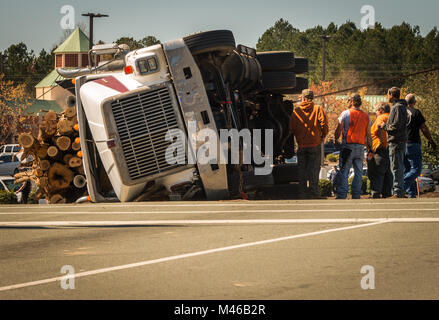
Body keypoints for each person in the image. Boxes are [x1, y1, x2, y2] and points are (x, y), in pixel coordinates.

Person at [289, 89, 329, 198]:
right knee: (314, 169)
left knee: (302, 170)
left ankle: (302, 193)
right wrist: (322, 136)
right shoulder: (318, 109)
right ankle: (314, 193)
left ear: (302, 98)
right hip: (315, 144)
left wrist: (299, 137)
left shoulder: (296, 111)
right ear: (313, 98)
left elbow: (292, 128)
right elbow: (324, 124)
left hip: (302, 145)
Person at [334, 93, 372, 199]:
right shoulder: (365, 116)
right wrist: (370, 147)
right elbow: (369, 134)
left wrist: (336, 139)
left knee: (344, 171)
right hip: (360, 147)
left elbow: (339, 129)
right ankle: (356, 194)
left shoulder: (345, 114)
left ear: (351, 102)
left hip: (348, 146)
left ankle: (342, 194)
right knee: (359, 172)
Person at [403, 94, 437, 198]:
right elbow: (424, 128)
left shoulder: (400, 112)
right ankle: (400, 186)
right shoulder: (416, 112)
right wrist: (430, 140)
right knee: (416, 170)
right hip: (413, 143)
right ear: (414, 102)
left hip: (402, 144)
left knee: (407, 170)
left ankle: (411, 193)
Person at [378, 87, 408, 198]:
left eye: (388, 94)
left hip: (396, 141)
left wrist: (384, 126)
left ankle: (398, 191)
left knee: (396, 167)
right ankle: (398, 190)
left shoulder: (397, 108)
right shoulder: (399, 107)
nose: (387, 97)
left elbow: (396, 126)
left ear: (391, 95)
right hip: (399, 141)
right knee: (397, 166)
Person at [367, 102, 393, 198]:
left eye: (376, 111)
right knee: (387, 173)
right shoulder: (391, 117)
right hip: (389, 149)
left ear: (380, 110)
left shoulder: (381, 117)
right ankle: (387, 193)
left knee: (376, 172)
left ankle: (375, 193)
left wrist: (381, 142)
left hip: (379, 149)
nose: (376, 113)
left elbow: (379, 128)